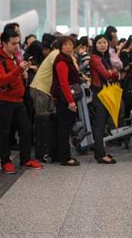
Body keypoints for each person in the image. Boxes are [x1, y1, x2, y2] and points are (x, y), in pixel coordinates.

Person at [0, 29, 43, 174]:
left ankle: (25, 159)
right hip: (3, 100)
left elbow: (16, 75)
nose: (16, 46)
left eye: (18, 43)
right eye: (13, 43)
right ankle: (5, 162)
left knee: (26, 129)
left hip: (18, 100)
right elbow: (1, 80)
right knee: (4, 132)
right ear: (3, 43)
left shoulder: (15, 57)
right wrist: (19, 71)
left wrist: (23, 73)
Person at [51, 36, 81, 166]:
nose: (69, 47)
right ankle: (65, 157)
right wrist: (71, 102)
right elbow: (64, 83)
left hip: (65, 98)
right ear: (60, 47)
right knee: (64, 129)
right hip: (64, 100)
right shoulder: (61, 62)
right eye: (65, 45)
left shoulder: (67, 59)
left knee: (63, 128)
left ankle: (60, 155)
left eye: (71, 44)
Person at [89, 35, 119, 164]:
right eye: (99, 43)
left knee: (102, 124)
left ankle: (100, 152)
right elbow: (107, 74)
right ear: (95, 45)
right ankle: (100, 154)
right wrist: (115, 73)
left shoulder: (104, 58)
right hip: (100, 93)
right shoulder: (95, 58)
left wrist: (113, 72)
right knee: (100, 125)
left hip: (104, 92)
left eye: (105, 42)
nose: (102, 45)